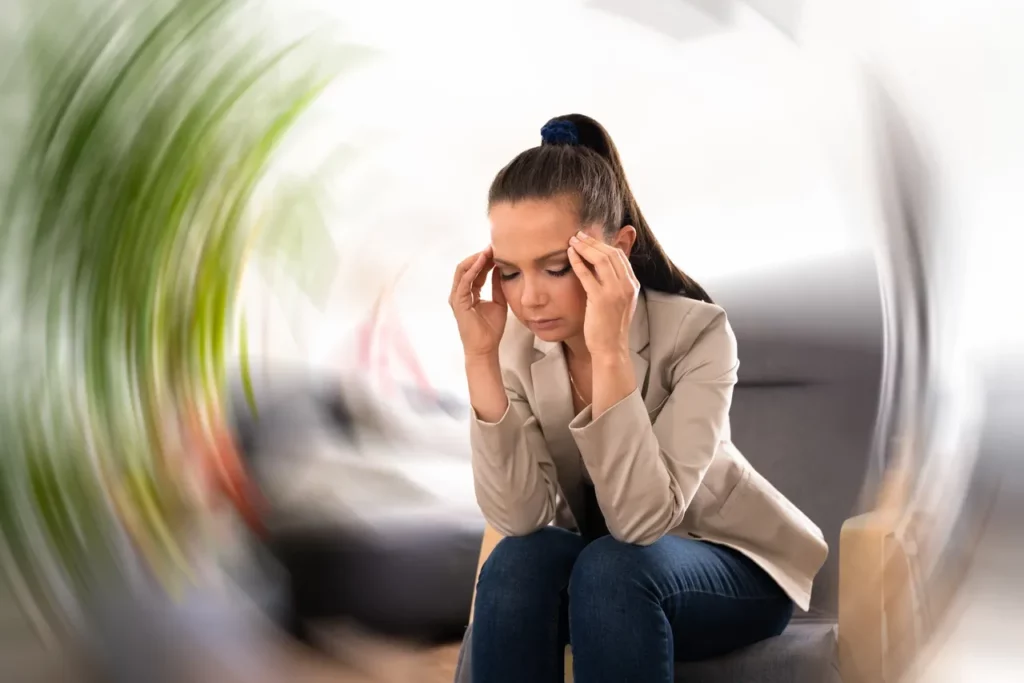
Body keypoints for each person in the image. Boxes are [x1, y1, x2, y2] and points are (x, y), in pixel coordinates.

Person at [448, 114, 828, 683]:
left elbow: (641, 522)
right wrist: (479, 358)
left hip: (734, 567)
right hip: (612, 563)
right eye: (507, 273)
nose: (528, 298)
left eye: (556, 267)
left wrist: (609, 353)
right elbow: (519, 515)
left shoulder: (699, 333)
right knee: (516, 561)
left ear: (619, 249)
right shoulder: (513, 342)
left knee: (612, 568)